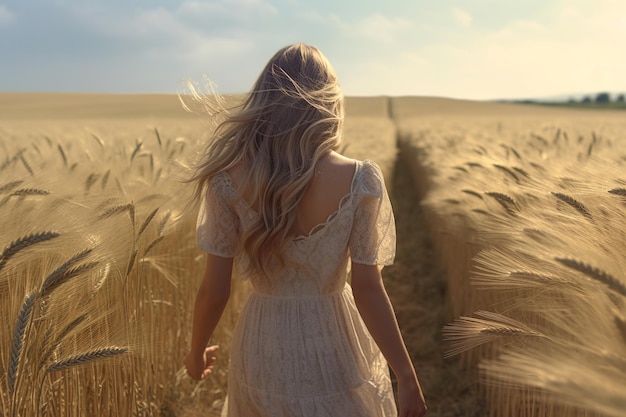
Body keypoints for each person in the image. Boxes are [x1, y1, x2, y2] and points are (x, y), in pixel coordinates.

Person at [184, 43, 427, 417]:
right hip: (334, 339)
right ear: (329, 103)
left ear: (264, 102)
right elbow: (367, 287)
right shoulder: (360, 180)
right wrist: (406, 375)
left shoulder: (226, 181)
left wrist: (196, 349)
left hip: (263, 341)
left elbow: (214, 290)